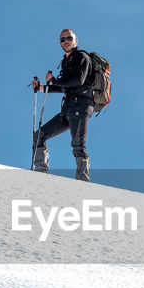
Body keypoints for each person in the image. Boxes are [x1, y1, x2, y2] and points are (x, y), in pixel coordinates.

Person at [32, 29, 94, 181]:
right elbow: (64, 86)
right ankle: (40, 174)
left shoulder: (82, 57)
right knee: (39, 135)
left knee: (78, 145)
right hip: (67, 108)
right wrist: (41, 87)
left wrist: (53, 81)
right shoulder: (66, 61)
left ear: (76, 40)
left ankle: (82, 182)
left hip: (81, 106)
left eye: (69, 38)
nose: (66, 41)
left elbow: (78, 81)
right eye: (62, 39)